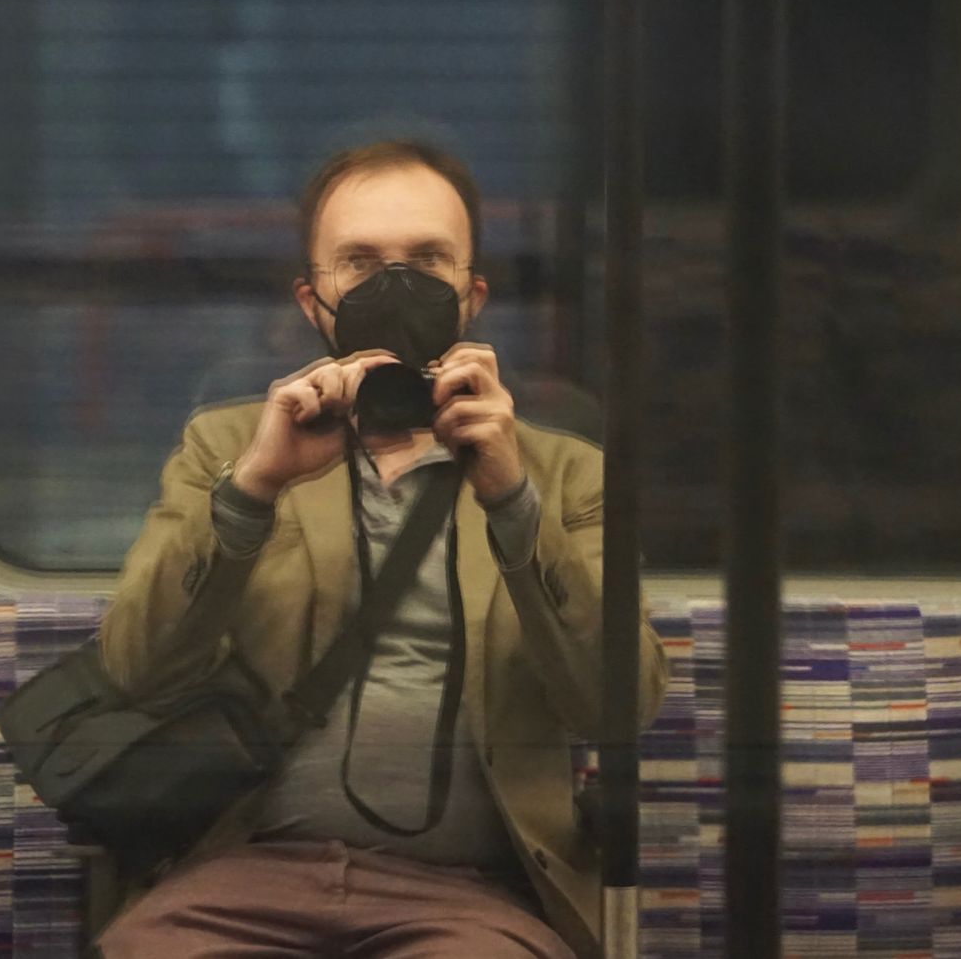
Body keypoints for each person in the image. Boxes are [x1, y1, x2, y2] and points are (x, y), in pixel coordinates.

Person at [94, 140, 668, 959]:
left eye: (427, 260)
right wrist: (254, 486)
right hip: (238, 879)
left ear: (471, 296)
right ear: (312, 300)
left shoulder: (564, 473)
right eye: (359, 262)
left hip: (470, 897)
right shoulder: (229, 443)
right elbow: (134, 666)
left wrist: (511, 499)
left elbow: (618, 705)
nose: (393, 286)